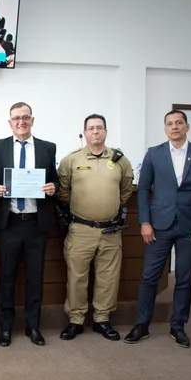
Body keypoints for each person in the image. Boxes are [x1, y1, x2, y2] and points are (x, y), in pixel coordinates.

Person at [124, 110, 191, 348]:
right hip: (159, 226)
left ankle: (178, 326)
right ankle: (142, 325)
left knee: (185, 279)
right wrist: (144, 222)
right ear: (165, 128)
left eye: (179, 123)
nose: (174, 127)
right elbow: (143, 189)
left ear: (187, 127)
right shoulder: (154, 154)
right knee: (149, 277)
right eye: (169, 124)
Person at [56, 114, 133, 342]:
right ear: (85, 132)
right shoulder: (71, 160)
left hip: (110, 231)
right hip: (81, 229)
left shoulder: (120, 160)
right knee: (76, 277)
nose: (96, 132)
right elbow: (63, 192)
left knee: (108, 277)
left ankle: (102, 319)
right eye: (91, 128)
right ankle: (76, 320)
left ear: (106, 132)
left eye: (100, 128)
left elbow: (126, 191)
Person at [0, 102, 58, 347]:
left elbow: (55, 181)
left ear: (33, 120)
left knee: (35, 277)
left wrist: (53, 188)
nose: (21, 122)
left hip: (35, 224)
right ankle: (5, 327)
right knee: (6, 278)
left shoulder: (48, 148)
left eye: (26, 117)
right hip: (9, 223)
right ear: (10, 122)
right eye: (16, 118)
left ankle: (33, 327)